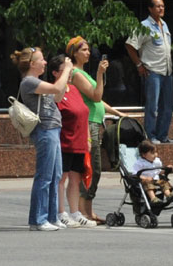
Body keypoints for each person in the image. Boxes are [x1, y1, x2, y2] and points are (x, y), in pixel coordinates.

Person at [67, 36, 127, 224]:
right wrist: (101, 74)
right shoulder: (76, 74)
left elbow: (99, 101)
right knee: (92, 167)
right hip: (88, 124)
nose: (87, 53)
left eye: (87, 49)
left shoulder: (85, 74)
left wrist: (117, 112)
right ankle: (83, 211)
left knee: (96, 168)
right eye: (83, 50)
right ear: (74, 53)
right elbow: (95, 96)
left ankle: (88, 211)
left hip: (95, 122)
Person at [17, 46, 74, 232]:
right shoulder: (29, 82)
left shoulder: (38, 82)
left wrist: (64, 76)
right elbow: (57, 88)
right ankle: (37, 219)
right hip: (45, 130)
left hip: (53, 130)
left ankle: (51, 216)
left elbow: (58, 95)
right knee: (45, 176)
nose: (45, 63)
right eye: (42, 60)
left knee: (56, 175)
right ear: (32, 64)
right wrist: (65, 69)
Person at [50, 52, 94, 229]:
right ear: (55, 73)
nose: (69, 72)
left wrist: (88, 137)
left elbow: (84, 113)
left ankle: (75, 212)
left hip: (79, 141)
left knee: (76, 179)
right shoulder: (54, 90)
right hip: (64, 141)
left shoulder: (74, 89)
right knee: (62, 178)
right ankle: (61, 212)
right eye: (65, 69)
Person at [126, 0, 173, 142]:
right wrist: (139, 65)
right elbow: (130, 45)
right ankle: (150, 136)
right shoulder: (144, 25)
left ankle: (163, 135)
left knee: (167, 107)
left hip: (167, 71)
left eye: (163, 6)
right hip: (152, 71)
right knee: (152, 107)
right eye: (158, 6)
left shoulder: (164, 24)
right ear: (150, 9)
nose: (161, 9)